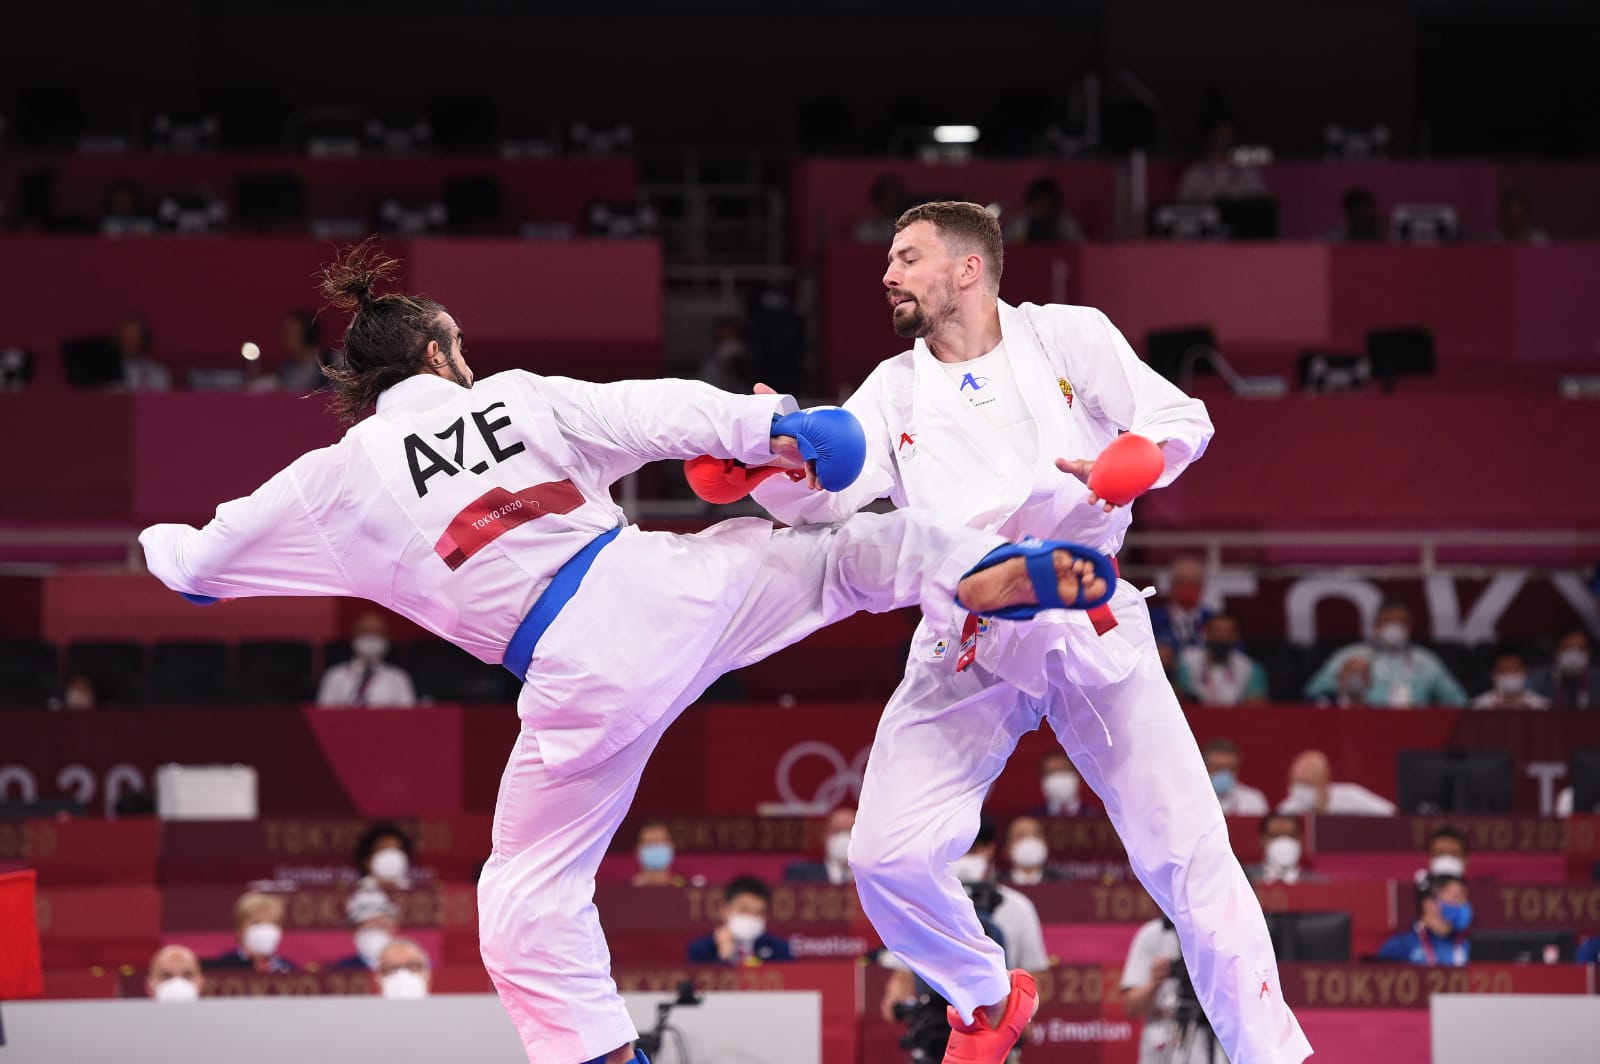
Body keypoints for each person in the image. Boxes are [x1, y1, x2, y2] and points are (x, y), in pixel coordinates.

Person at [138, 239, 1112, 1064]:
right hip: (661, 584)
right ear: (438, 352)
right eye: (459, 349)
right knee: (847, 561)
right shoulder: (513, 397)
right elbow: (647, 413)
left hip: (573, 669)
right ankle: (991, 563)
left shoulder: (332, 479)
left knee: (525, 893)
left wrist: (172, 548)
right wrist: (774, 427)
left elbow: (192, 566)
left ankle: (605, 1053)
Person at [743, 202, 1309, 1064]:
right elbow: (824, 498)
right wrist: (769, 455)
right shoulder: (893, 388)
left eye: (906, 257)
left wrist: (1137, 462)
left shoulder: (1064, 338)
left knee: (1189, 858)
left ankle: (1275, 1056)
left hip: (1086, 614)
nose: (886, 274)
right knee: (885, 857)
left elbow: (1182, 417)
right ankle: (984, 991)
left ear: (967, 269)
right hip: (965, 633)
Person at [1303, 602, 1467, 707]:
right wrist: (1343, 693)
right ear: (1376, 625)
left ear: (1410, 626)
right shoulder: (1350, 656)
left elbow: (1458, 702)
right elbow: (1314, 693)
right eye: (1387, 622)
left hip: (1415, 729)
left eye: (1400, 622)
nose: (1394, 627)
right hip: (1362, 725)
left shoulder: (1427, 661)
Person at [1120, 917, 1221, 1064]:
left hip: (1212, 1037)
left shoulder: (1219, 933)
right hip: (1165, 1038)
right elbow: (1131, 1007)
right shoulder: (1154, 934)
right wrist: (1156, 981)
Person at [317, 610, 417, 707]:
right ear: (354, 636)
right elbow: (322, 715)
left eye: (377, 633)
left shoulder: (399, 678)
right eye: (365, 632)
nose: (371, 637)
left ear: (387, 638)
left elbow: (408, 717)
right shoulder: (334, 676)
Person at [686, 876, 793, 965]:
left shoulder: (780, 949)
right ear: (725, 910)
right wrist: (723, 957)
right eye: (743, 910)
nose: (750, 917)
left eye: (758, 912)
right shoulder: (701, 949)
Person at [1377, 874, 1471, 967]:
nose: (1463, 904)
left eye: (1465, 899)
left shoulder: (1466, 947)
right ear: (1430, 903)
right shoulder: (1399, 947)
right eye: (1457, 897)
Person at [1175, 614, 1268, 706]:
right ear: (1206, 633)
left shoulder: (1250, 668)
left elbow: (1257, 704)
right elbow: (1179, 698)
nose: (1222, 636)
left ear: (1236, 637)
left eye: (1228, 632)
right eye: (1217, 630)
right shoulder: (1187, 662)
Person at [1175, 118, 1267, 205]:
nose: (1224, 140)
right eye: (1220, 135)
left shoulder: (1246, 171)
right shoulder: (1194, 172)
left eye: (1228, 136)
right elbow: (1181, 205)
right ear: (1211, 137)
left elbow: (1264, 200)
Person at [1277, 749, 1396, 816]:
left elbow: (1392, 814)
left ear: (1324, 782)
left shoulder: (1353, 796)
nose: (1300, 789)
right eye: (1296, 782)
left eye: (1307, 783)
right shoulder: (1287, 810)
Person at [208, 892, 293, 972]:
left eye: (271, 924)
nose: (264, 930)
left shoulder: (288, 969)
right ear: (239, 928)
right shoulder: (223, 966)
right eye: (256, 923)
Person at [1147, 556, 1214, 653]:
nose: (1188, 587)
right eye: (1183, 582)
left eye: (1194, 583)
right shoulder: (1152, 619)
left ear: (1202, 586)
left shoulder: (1212, 620)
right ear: (1172, 584)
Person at [331, 883, 401, 971]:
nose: (375, 932)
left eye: (380, 926)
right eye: (367, 927)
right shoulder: (342, 971)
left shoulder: (414, 967)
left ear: (392, 927)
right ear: (354, 931)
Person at [1244, 814, 1324, 885]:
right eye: (1275, 835)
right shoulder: (1242, 879)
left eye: (1290, 835)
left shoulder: (1320, 885)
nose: (1284, 843)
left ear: (1301, 839)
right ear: (1262, 839)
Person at [785, 806, 855, 885]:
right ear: (824, 836)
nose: (843, 838)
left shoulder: (870, 878)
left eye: (850, 831)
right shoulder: (800, 874)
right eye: (837, 831)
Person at [1529, 629, 1598, 710]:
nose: (1574, 655)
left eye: (1581, 649)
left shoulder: (1597, 680)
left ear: (1589, 653)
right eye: (1568, 648)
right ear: (1556, 652)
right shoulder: (1538, 681)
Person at [1005, 177, 1084, 244]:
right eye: (1039, 203)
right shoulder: (1020, 225)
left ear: (1054, 205)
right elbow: (1006, 247)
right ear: (1031, 204)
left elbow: (1080, 247)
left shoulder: (1066, 225)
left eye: (1047, 203)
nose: (1043, 208)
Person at [1202, 738, 1269, 816]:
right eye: (1217, 768)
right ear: (1204, 768)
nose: (1224, 774)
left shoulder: (1253, 800)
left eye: (1230, 768)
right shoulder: (1192, 798)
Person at [1470, 650, 1550, 710]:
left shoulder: (1542, 707)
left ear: (1526, 672)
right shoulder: (1478, 707)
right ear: (1493, 674)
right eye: (1504, 670)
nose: (1510, 674)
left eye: (1515, 669)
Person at [114, 312, 172, 392]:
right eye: (125, 336)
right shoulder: (104, 372)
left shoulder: (157, 373)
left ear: (144, 339)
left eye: (134, 336)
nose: (129, 341)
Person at [278, 309, 330, 393]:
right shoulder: (287, 370)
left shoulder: (334, 362)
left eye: (291, 334)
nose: (287, 339)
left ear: (308, 335)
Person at [1032, 751, 1095, 818]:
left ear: (1077, 775)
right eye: (1051, 772)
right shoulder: (1033, 818)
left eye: (1063, 770)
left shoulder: (1096, 816)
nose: (1058, 777)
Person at [854, 173, 912, 244]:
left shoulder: (907, 230)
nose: (890, 203)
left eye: (893, 198)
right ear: (878, 199)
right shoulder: (865, 229)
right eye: (886, 198)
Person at [354, 821, 415, 888]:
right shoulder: (352, 892)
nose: (390, 857)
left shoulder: (416, 892)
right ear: (366, 861)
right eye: (382, 850)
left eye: (395, 850)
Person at [1002, 816, 1058, 886]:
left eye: (1036, 835)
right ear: (1008, 847)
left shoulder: (1063, 883)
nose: (1030, 841)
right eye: (1021, 836)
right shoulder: (997, 885)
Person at [629, 820, 685, 888]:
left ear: (672, 846)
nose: (655, 848)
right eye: (649, 843)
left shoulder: (683, 887)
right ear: (636, 850)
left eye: (660, 842)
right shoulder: (624, 889)